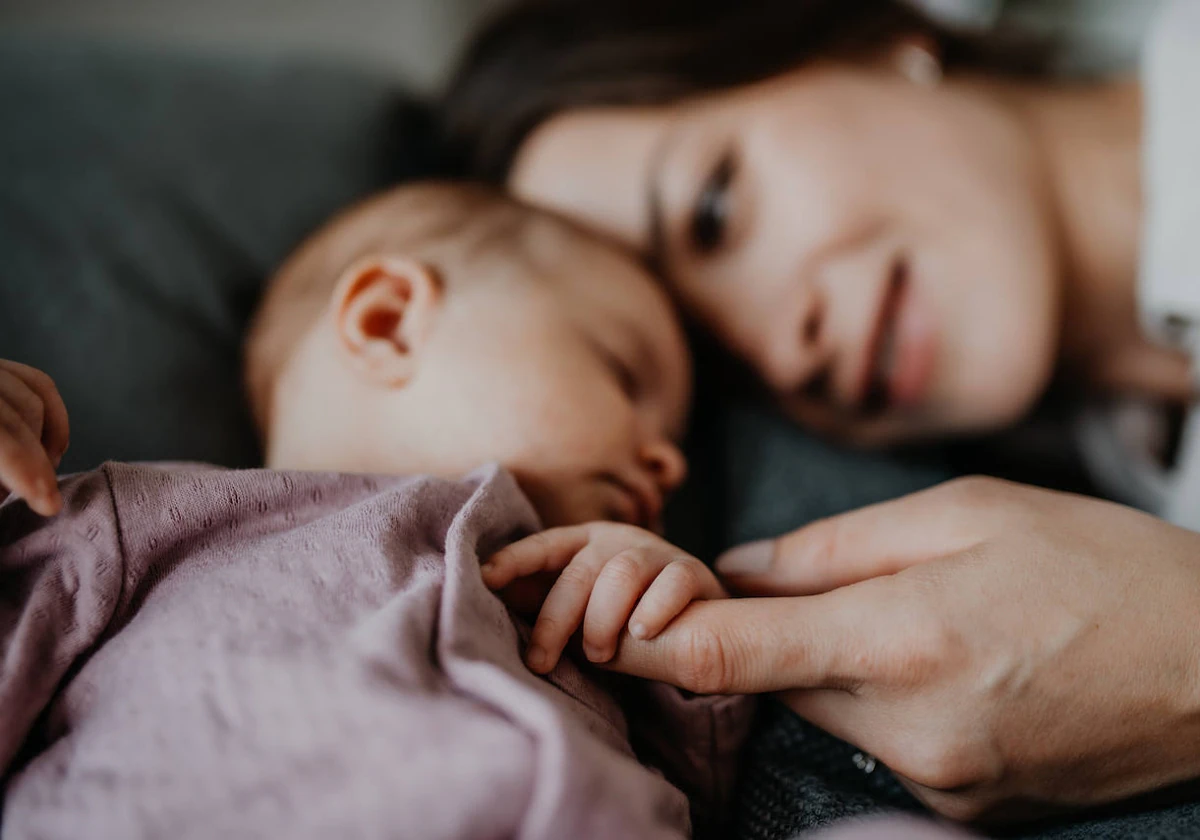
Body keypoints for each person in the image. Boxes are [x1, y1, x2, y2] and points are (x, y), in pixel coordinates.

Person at [440, 0, 1200, 824]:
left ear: (878, 38)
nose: (781, 353)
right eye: (713, 362)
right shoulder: (1127, 466)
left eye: (714, 212)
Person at [0, 183, 758, 838]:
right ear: (388, 322)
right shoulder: (148, 523)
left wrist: (671, 631)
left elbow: (709, 797)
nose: (671, 462)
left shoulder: (580, 619)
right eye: (624, 376)